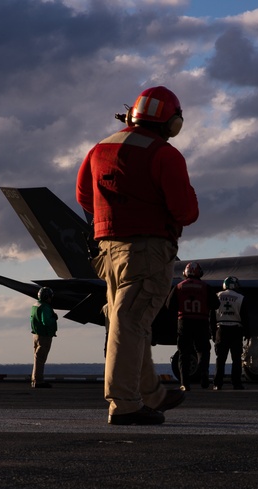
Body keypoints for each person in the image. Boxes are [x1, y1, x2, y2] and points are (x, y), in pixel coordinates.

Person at [76, 85, 199, 426]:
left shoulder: (100, 149)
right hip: (147, 250)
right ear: (172, 123)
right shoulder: (164, 154)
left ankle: (152, 394)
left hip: (107, 249)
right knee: (130, 322)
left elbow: (84, 196)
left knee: (132, 320)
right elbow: (185, 210)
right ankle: (125, 403)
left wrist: (114, 216)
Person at [171, 262, 216, 391]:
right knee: (203, 350)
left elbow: (169, 305)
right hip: (201, 321)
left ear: (185, 273)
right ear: (199, 273)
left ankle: (185, 383)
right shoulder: (205, 287)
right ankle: (203, 375)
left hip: (184, 322)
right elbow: (216, 304)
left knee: (183, 353)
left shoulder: (178, 287)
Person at [213, 276, 248, 390]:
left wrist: (213, 332)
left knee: (220, 358)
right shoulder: (240, 298)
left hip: (221, 329)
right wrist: (247, 332)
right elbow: (245, 317)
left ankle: (217, 384)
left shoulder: (217, 296)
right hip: (236, 329)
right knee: (236, 359)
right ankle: (236, 383)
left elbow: (211, 316)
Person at [30, 287, 58, 389]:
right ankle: (38, 381)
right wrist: (53, 318)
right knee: (41, 358)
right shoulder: (45, 307)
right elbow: (46, 321)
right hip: (44, 335)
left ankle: (35, 379)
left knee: (37, 357)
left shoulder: (35, 305)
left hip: (36, 334)